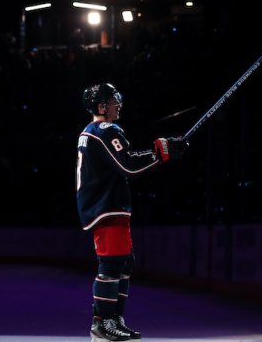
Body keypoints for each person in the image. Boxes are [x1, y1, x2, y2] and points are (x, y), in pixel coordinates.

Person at [76, 83, 188, 342]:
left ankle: (113, 319)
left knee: (124, 262)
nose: (118, 104)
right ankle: (102, 323)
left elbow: (126, 160)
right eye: (114, 100)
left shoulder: (92, 131)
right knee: (112, 263)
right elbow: (128, 166)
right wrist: (161, 154)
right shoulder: (104, 130)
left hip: (109, 205)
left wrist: (162, 152)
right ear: (102, 106)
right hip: (105, 207)